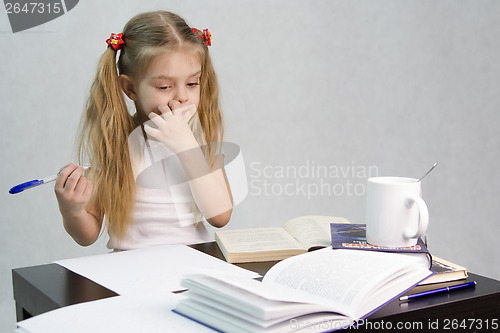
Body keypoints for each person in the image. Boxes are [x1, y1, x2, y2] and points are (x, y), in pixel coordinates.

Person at [54, 11, 233, 250]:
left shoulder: (201, 143)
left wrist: (186, 147)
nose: (182, 96)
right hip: (132, 273)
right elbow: (88, 235)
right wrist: (73, 211)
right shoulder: (116, 146)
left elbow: (220, 217)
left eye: (192, 83)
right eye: (164, 86)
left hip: (194, 265)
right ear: (130, 88)